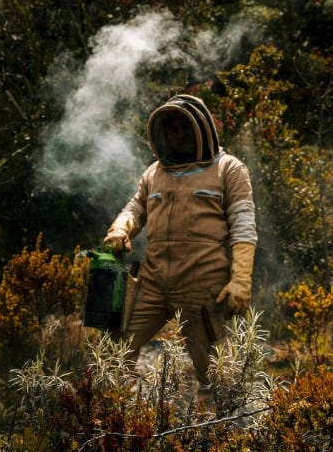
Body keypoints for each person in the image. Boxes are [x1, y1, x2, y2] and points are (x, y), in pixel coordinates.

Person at [102, 94, 257, 386]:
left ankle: (224, 427)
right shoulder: (154, 173)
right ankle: (114, 421)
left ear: (202, 127)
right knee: (114, 351)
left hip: (202, 287)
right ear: (162, 134)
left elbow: (244, 226)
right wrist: (120, 229)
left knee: (215, 373)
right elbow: (135, 208)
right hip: (152, 283)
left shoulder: (229, 169)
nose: (179, 134)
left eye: (184, 127)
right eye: (171, 129)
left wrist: (241, 280)